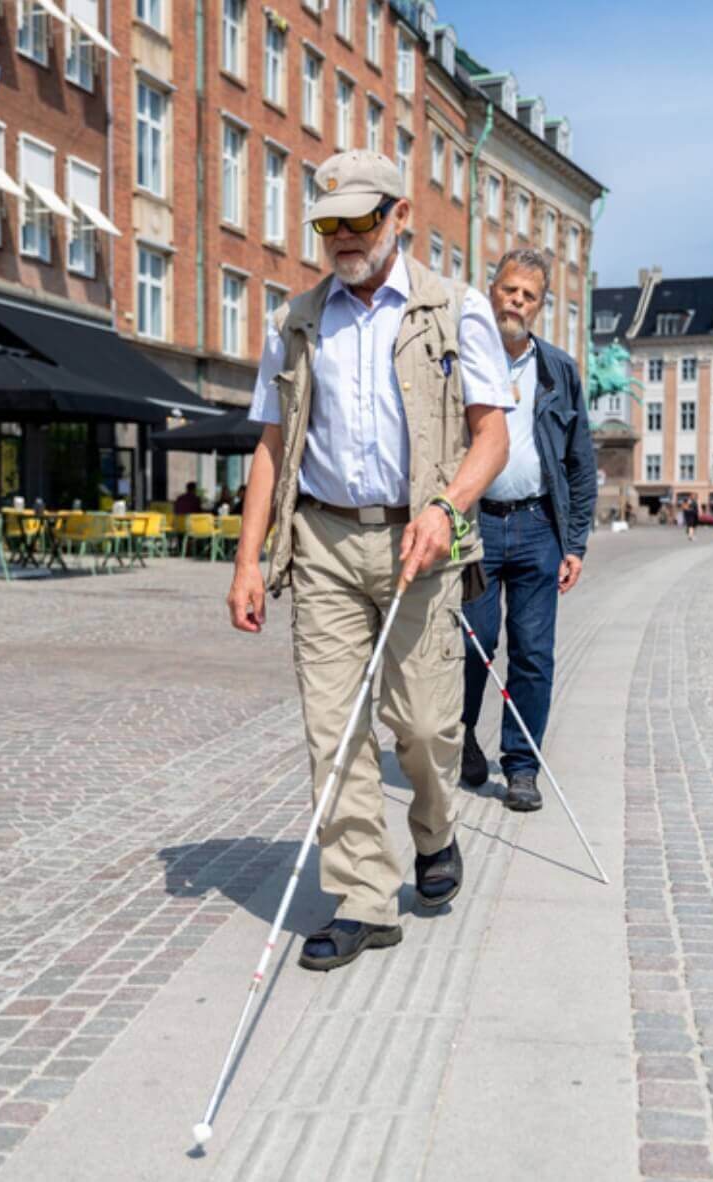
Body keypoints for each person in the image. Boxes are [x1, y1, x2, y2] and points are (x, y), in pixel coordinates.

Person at [228, 149, 511, 972]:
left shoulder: (453, 309)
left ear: (399, 215)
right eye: (330, 224)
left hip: (419, 538)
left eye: (362, 219)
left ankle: (434, 826)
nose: (346, 237)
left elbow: (490, 433)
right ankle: (362, 896)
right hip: (321, 541)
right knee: (333, 728)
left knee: (422, 724)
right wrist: (249, 560)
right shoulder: (298, 319)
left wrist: (446, 507)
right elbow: (273, 445)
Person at [459, 249, 597, 811]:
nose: (516, 301)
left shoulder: (558, 370)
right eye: (508, 289)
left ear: (540, 306)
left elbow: (580, 461)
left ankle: (521, 766)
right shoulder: (463, 358)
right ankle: (461, 738)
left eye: (528, 295)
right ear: (491, 290)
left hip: (539, 524)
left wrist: (577, 543)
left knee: (534, 653)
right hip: (477, 526)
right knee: (473, 643)